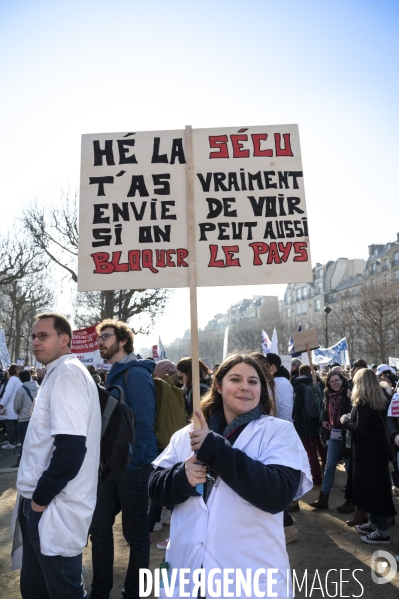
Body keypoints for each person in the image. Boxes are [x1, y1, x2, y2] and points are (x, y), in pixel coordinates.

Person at [149, 354, 312, 597]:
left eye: (253, 381)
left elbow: (277, 495)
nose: (245, 387)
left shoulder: (278, 432)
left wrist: (217, 451)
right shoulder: (187, 434)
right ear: (218, 385)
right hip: (187, 570)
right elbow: (154, 488)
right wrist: (181, 476)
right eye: (236, 379)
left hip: (249, 577)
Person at [15, 312, 101, 598]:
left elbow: (71, 450)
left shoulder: (67, 374)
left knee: (64, 591)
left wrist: (39, 501)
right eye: (33, 336)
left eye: (43, 335)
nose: (35, 341)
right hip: (42, 502)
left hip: (54, 507)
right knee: (36, 589)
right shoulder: (56, 372)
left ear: (64, 339)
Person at [89, 319, 157, 599]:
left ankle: (134, 593)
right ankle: (100, 591)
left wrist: (132, 463)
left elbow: (143, 424)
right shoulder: (115, 373)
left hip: (134, 467)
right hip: (113, 468)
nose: (100, 342)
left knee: (137, 537)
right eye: (99, 338)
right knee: (99, 527)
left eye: (105, 336)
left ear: (123, 341)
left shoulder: (135, 374)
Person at [341, 368, 397, 544]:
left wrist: (345, 421)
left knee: (376, 491)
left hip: (369, 454)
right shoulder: (381, 398)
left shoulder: (364, 403)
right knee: (377, 489)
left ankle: (382, 531)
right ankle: (374, 524)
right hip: (378, 451)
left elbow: (360, 430)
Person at [310, 370, 352, 510]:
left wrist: (352, 398)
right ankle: (323, 497)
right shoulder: (327, 394)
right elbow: (323, 409)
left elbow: (355, 412)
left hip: (347, 434)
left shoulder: (349, 393)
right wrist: (323, 420)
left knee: (349, 466)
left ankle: (351, 501)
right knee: (329, 466)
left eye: (337, 380)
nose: (334, 383)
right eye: (331, 381)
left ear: (342, 380)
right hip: (333, 433)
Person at [292, 364, 327, 488]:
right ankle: (327, 478)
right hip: (321, 422)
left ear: (300, 373)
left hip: (305, 424)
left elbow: (296, 407)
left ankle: (316, 479)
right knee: (324, 451)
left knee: (311, 453)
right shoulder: (321, 384)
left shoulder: (298, 386)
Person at [13, 369, 39, 467]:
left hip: (24, 420)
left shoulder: (21, 390)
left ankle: (22, 461)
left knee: (24, 441)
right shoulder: (39, 387)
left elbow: (17, 407)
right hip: (36, 419)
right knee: (36, 441)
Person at [265, 353, 293, 422]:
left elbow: (285, 409)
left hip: (279, 428)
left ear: (272, 367)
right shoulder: (273, 381)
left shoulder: (282, 383)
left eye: (264, 367)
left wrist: (281, 429)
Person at [0, 363, 22, 448]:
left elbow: (8, 392)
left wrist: (2, 403)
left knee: (10, 425)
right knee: (16, 425)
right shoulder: (19, 379)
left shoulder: (13, 379)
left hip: (10, 406)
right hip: (17, 406)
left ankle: (11, 442)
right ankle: (17, 441)